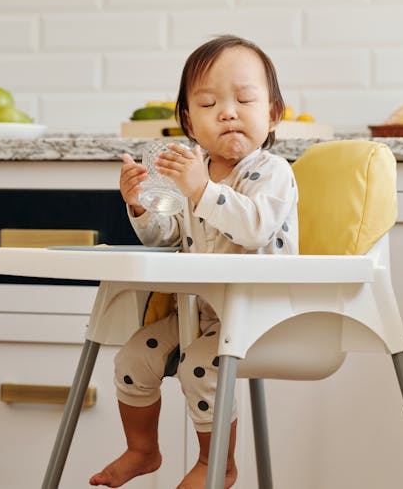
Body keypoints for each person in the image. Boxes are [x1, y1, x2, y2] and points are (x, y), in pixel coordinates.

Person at [89, 35, 299, 489]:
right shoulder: (193, 173)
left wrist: (202, 190)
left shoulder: (272, 173)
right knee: (132, 359)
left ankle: (218, 464)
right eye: (208, 104)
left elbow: (256, 227)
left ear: (274, 112)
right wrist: (141, 206)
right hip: (200, 311)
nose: (228, 111)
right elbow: (168, 237)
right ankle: (143, 450)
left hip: (259, 313)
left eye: (244, 98)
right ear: (188, 120)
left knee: (198, 366)